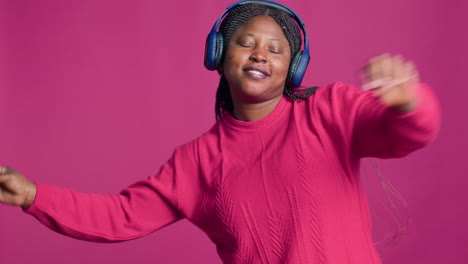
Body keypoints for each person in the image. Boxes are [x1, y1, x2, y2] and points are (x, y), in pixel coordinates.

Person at [0, 0, 440, 263]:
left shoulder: (328, 110)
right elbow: (120, 216)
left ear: (293, 67)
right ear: (219, 53)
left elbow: (407, 134)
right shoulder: (195, 162)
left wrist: (407, 101)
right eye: (245, 42)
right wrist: (32, 196)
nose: (260, 55)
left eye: (276, 48)